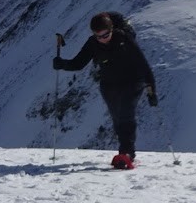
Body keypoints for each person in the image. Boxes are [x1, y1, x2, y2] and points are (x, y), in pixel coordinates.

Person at [54, 11, 158, 169]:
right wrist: (62, 64)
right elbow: (79, 63)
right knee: (117, 117)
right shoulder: (93, 43)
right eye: (98, 36)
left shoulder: (124, 39)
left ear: (112, 30)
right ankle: (125, 152)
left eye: (105, 35)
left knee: (126, 114)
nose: (102, 39)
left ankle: (127, 153)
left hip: (133, 81)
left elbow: (143, 64)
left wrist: (152, 90)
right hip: (109, 84)